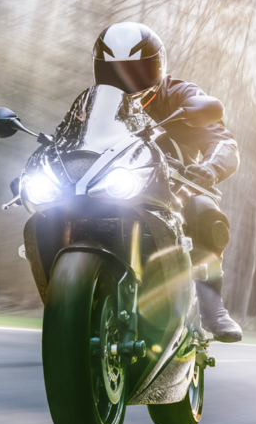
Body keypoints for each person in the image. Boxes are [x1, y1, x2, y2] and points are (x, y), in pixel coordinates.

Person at [90, 21, 243, 343]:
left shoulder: (182, 95)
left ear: (158, 66)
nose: (127, 80)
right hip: (112, 185)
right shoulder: (96, 105)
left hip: (176, 186)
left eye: (137, 70)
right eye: (114, 72)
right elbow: (71, 139)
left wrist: (210, 169)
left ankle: (211, 305)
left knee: (207, 215)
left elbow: (223, 142)